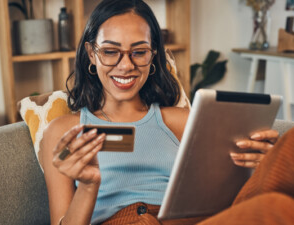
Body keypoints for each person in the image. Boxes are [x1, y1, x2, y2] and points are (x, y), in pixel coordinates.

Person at [40, 0, 278, 224]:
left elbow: (222, 197)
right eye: (111, 51)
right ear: (92, 53)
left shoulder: (182, 121)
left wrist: (263, 167)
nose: (126, 66)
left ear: (153, 54)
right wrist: (89, 186)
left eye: (139, 52)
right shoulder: (63, 131)